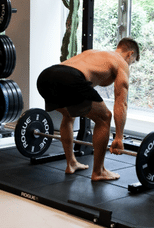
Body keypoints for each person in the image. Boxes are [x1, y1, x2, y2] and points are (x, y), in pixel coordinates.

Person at [37, 37, 140, 181]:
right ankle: (99, 171)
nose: (130, 65)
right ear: (130, 54)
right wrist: (119, 137)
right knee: (104, 118)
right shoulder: (122, 62)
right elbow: (121, 102)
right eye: (132, 62)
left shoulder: (96, 53)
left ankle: (71, 163)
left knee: (68, 115)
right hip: (69, 78)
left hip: (46, 77)